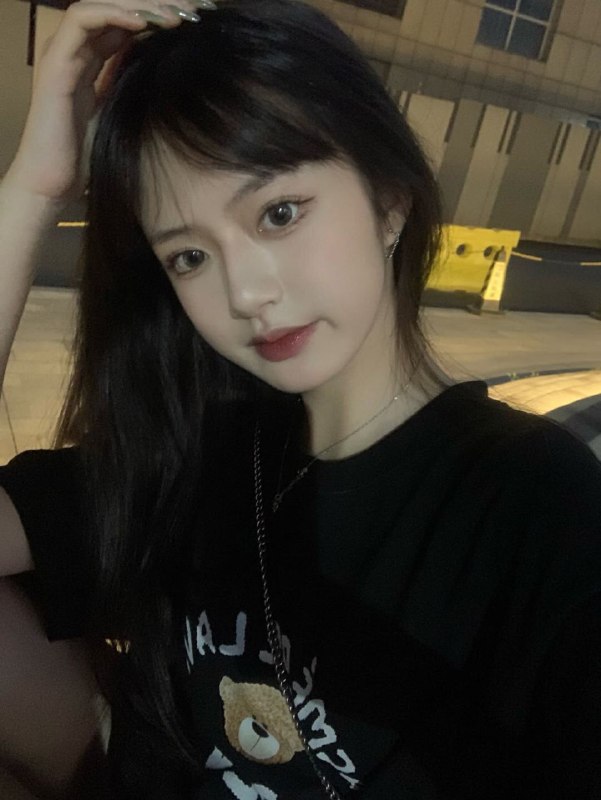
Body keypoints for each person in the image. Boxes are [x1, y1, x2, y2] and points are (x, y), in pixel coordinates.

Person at [1, 0, 600, 797]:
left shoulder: (537, 507)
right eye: (188, 257)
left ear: (389, 200)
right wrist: (35, 186)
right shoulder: (199, 449)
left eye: (278, 214)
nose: (245, 293)